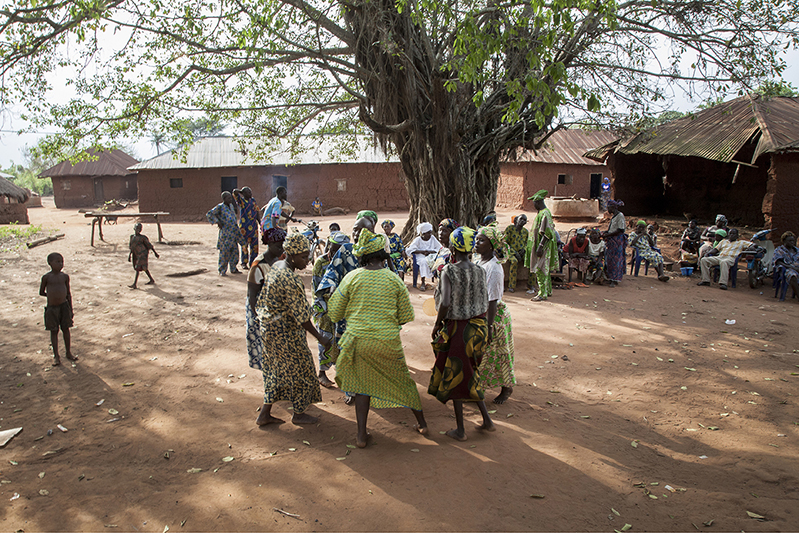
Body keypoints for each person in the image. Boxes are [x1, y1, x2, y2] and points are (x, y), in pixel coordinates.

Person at [329, 228, 428, 448]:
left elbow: (334, 312)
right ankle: (422, 424)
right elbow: (405, 316)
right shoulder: (394, 280)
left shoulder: (351, 278)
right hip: (387, 343)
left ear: (362, 256)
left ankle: (361, 436)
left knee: (362, 386)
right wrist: (385, 326)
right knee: (403, 381)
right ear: (382, 256)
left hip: (357, 342)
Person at [256, 233, 332, 426]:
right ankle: (298, 413)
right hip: (284, 333)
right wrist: (320, 337)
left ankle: (264, 414)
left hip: (269, 331)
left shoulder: (276, 268)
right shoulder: (290, 279)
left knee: (275, 371)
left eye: (308, 256)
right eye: (303, 257)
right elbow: (302, 317)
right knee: (302, 370)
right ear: (291, 255)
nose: (307, 261)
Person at [429, 226, 494, 441]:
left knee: (455, 376)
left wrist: (438, 324)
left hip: (460, 330)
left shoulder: (449, 270)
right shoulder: (480, 270)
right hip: (479, 328)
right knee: (470, 374)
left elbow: (445, 302)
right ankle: (486, 420)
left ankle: (461, 430)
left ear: (453, 248)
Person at [315, 211, 381, 402]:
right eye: (355, 229)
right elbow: (330, 275)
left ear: (372, 232)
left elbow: (386, 276)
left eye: (363, 230)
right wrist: (329, 294)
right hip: (346, 315)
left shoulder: (376, 252)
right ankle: (350, 390)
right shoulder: (344, 251)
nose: (357, 233)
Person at [475, 225, 515, 404]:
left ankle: (507, 387)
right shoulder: (478, 261)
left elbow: (493, 300)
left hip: (494, 316)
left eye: (481, 240)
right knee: (482, 354)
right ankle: (478, 387)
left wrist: (489, 326)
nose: (477, 242)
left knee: (499, 354)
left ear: (491, 245)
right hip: (480, 312)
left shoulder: (495, 268)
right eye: (477, 238)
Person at [312, 231, 350, 388]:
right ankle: (322, 373)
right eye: (332, 249)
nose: (334, 253)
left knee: (341, 340)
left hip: (343, 308)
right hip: (325, 306)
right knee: (326, 338)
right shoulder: (321, 263)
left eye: (338, 250)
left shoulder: (347, 262)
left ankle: (341, 373)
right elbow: (317, 289)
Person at [246, 227, 286, 372]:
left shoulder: (281, 259)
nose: (282, 248)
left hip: (275, 308)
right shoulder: (258, 266)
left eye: (283, 244)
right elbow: (252, 296)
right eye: (278, 245)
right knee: (263, 346)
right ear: (269, 244)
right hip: (259, 308)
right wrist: (258, 317)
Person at [40, 252, 76, 366]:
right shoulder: (46, 277)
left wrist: (70, 309)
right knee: (54, 331)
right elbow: (41, 292)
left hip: (64, 307)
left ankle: (68, 352)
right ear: (50, 263)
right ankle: (56, 356)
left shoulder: (65, 277)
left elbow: (68, 293)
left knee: (66, 329)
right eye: (58, 262)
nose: (61, 264)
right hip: (52, 308)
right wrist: (51, 296)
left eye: (62, 262)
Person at [525, 190, 558, 301]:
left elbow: (547, 232)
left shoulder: (544, 213)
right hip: (540, 246)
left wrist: (540, 246)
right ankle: (547, 290)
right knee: (545, 269)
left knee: (540, 269)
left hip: (543, 247)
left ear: (538, 202)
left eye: (534, 203)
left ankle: (542, 293)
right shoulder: (542, 213)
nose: (533, 205)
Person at [206, 191, 241, 276]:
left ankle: (233, 268)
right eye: (228, 198)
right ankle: (222, 270)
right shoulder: (220, 207)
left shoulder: (231, 206)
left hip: (233, 233)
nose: (230, 199)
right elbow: (209, 214)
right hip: (226, 234)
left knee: (235, 252)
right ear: (224, 199)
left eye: (230, 197)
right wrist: (217, 222)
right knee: (224, 253)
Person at [407, 222, 441, 291]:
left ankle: (438, 281)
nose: (430, 234)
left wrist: (429, 252)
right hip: (420, 256)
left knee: (437, 261)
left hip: (431, 255)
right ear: (423, 233)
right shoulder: (418, 240)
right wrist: (422, 251)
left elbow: (439, 248)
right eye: (428, 233)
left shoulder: (432, 238)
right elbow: (411, 250)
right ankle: (423, 282)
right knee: (423, 261)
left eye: (430, 232)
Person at [233, 187, 260, 268]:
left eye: (250, 192)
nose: (250, 194)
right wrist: (241, 191)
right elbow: (235, 192)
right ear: (244, 193)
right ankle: (244, 263)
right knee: (244, 245)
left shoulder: (253, 200)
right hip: (244, 227)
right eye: (248, 192)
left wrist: (259, 221)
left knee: (254, 246)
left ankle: (253, 262)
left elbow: (257, 211)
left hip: (254, 226)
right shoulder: (241, 201)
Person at [602, 199, 627, 287]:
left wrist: (608, 235)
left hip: (617, 241)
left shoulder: (620, 216)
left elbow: (621, 230)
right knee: (610, 259)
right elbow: (613, 229)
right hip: (612, 240)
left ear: (613, 207)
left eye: (608, 208)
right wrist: (606, 233)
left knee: (616, 259)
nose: (608, 210)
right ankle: (611, 277)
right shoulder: (614, 216)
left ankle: (615, 279)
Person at [128, 222, 159, 289]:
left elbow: (149, 245)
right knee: (143, 267)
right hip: (135, 254)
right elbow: (132, 247)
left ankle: (134, 284)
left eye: (139, 228)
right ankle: (151, 279)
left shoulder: (143, 238)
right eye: (137, 228)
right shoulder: (132, 237)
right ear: (134, 228)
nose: (138, 230)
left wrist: (155, 253)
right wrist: (129, 255)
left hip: (142, 254)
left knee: (138, 268)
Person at [503, 214, 529, 293]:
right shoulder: (509, 229)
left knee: (530, 262)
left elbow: (527, 243)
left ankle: (530, 284)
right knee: (514, 262)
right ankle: (511, 285)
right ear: (516, 220)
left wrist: (524, 250)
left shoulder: (525, 232)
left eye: (524, 220)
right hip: (510, 251)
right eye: (521, 219)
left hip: (521, 252)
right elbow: (504, 242)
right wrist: (514, 252)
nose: (522, 221)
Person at [772, 231, 799, 298]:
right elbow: (778, 262)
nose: (792, 242)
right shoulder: (780, 250)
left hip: (797, 268)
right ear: (784, 241)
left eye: (793, 240)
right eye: (790, 240)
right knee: (792, 276)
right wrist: (791, 267)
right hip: (786, 269)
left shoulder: (797, 250)